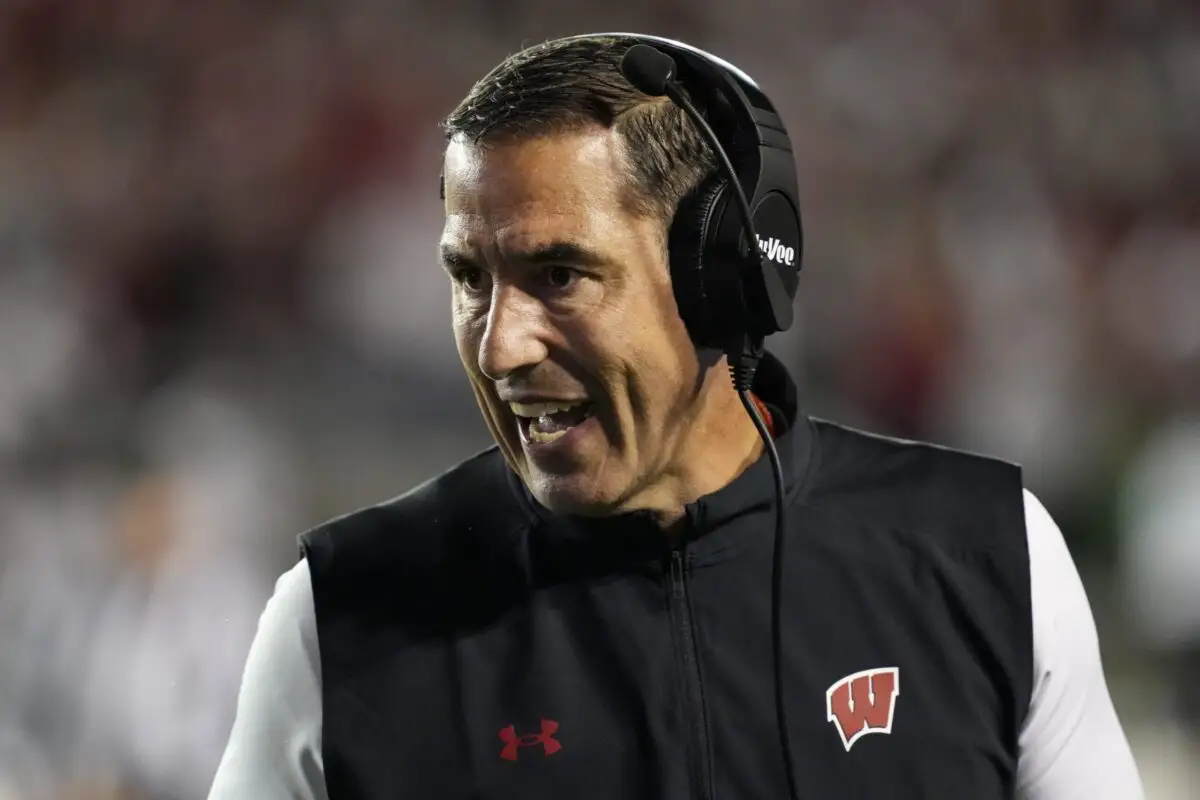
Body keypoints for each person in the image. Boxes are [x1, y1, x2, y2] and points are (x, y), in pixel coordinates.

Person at [208, 33, 1144, 799]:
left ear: (721, 278)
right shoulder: (340, 615)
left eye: (558, 275)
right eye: (469, 279)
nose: (499, 348)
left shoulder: (985, 555)